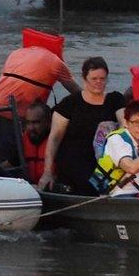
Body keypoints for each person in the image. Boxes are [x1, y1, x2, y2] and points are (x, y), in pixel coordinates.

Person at [38, 57, 126, 196]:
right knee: (88, 184)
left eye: (102, 79)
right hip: (74, 159)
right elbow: (54, 138)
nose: (99, 82)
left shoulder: (115, 100)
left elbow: (124, 122)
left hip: (105, 160)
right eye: (94, 78)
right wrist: (47, 171)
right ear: (85, 79)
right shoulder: (69, 104)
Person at [0, 44, 81, 165]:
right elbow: (78, 93)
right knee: (13, 162)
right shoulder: (55, 61)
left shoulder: (17, 53)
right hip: (7, 114)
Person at [21, 101, 52, 185]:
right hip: (31, 188)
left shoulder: (60, 142)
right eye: (28, 123)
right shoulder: (24, 141)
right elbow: (11, 162)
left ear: (48, 122)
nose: (31, 128)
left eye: (36, 123)